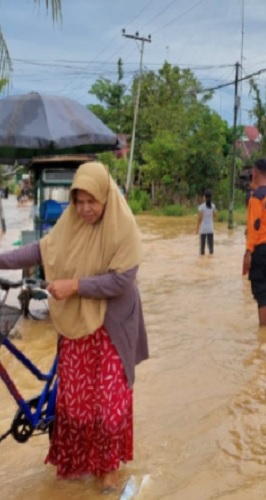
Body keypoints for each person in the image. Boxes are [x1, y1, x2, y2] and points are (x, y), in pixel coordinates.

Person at [0, 162, 147, 494]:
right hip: (77, 326)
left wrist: (76, 285)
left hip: (112, 325)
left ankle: (109, 473)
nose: (85, 209)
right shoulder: (70, 224)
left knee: (109, 409)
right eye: (78, 202)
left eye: (91, 201)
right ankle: (77, 470)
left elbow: (122, 279)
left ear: (105, 198)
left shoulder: (122, 227)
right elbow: (39, 250)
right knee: (76, 408)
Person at [242, 158, 266, 327]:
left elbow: (254, 226)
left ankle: (263, 328)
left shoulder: (256, 198)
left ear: (255, 173)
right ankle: (265, 326)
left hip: (260, 247)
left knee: (260, 290)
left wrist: (248, 252)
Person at [196, 189, 217, 255]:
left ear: (204, 197)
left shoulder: (201, 207)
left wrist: (197, 229)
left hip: (203, 229)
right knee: (211, 250)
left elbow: (199, 219)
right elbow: (215, 216)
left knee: (202, 250)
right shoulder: (213, 206)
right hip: (210, 229)